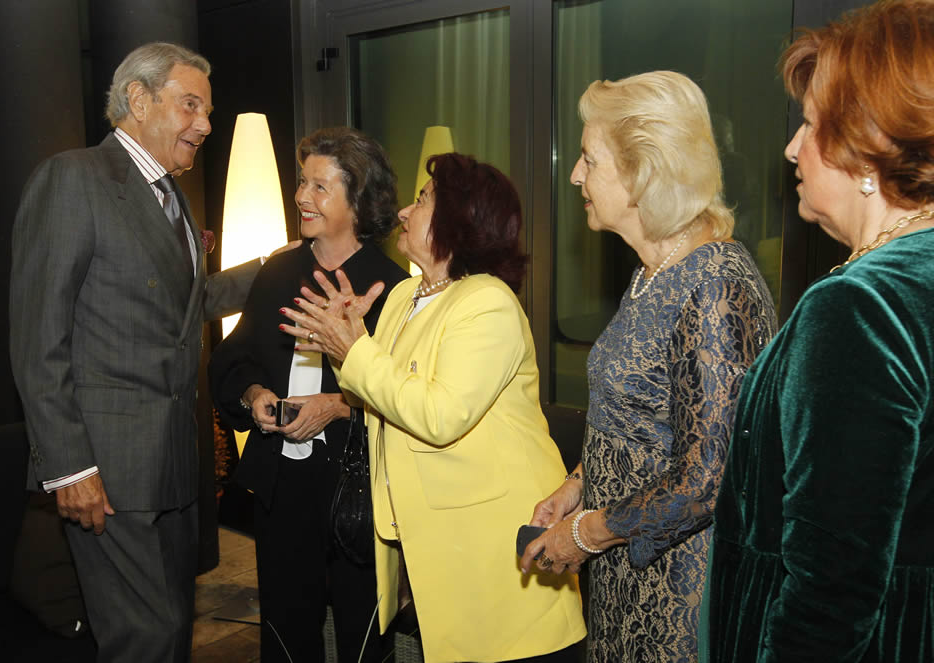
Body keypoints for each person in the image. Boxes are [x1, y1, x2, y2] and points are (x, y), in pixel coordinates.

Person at [10, 42, 263, 661]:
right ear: (138, 99)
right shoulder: (73, 179)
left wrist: (275, 270)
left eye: (207, 110)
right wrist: (69, 468)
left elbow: (188, 306)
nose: (204, 125)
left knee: (173, 629)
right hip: (105, 470)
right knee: (142, 638)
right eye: (191, 106)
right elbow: (39, 337)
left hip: (173, 465)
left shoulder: (171, 195)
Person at [281, 153, 587, 663]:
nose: (404, 211)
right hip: (436, 544)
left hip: (494, 550)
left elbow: (439, 416)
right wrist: (348, 340)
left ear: (459, 222)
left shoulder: (488, 303)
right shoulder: (404, 295)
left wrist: (354, 349)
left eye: (422, 200)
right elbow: (384, 394)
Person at [519, 71, 778, 663]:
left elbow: (705, 478)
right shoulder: (651, 272)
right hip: (624, 568)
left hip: (679, 590)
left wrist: (584, 535)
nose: (575, 174)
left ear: (643, 173)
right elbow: (639, 415)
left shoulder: (713, 283)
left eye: (589, 159)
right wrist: (577, 485)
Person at [703, 2, 934, 661]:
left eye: (808, 125)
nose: (791, 149)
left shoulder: (860, 305)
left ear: (868, 149)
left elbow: (829, 591)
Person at [208, 127, 408, 663]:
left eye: (320, 187)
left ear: (359, 200)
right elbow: (234, 360)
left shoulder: (392, 287)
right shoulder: (278, 270)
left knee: (364, 639)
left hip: (359, 492)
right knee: (285, 636)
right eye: (302, 183)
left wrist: (338, 406)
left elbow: (409, 397)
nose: (301, 198)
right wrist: (253, 396)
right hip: (284, 487)